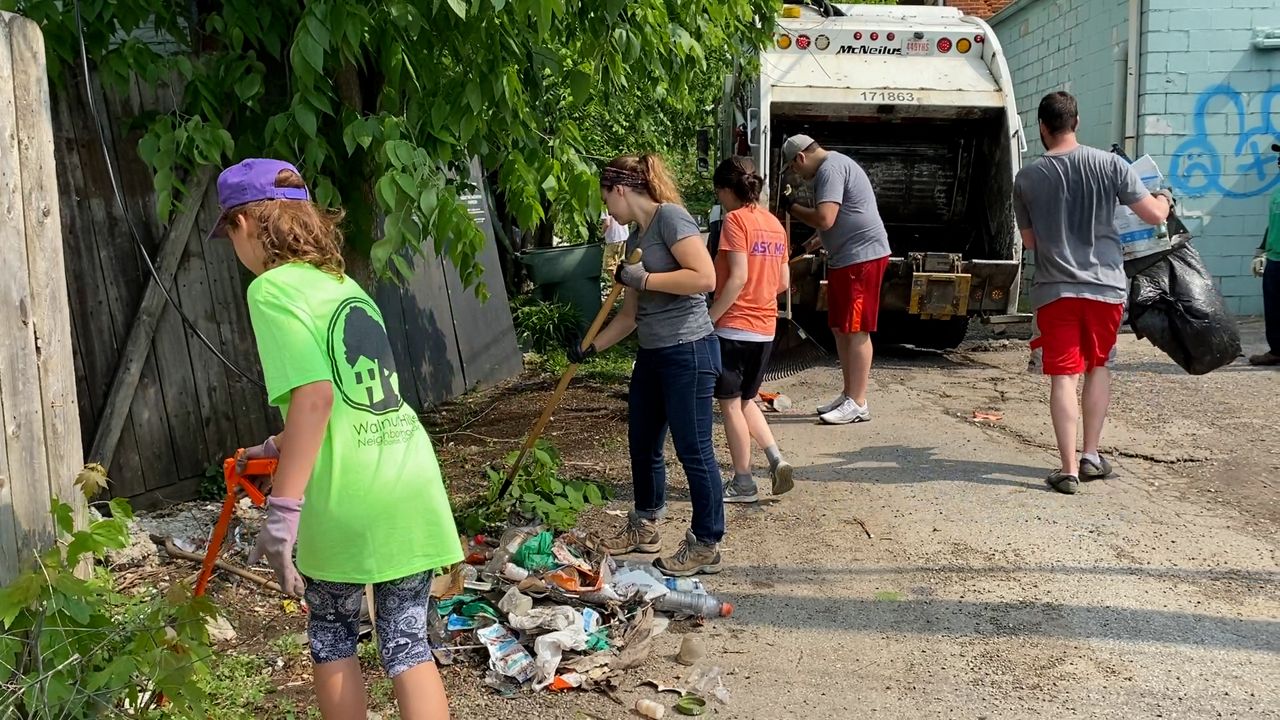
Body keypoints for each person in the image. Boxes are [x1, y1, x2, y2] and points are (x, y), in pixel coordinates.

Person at [218, 158, 461, 719]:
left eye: (229, 233)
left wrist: (282, 510)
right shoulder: (341, 282)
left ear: (246, 224)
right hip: (408, 481)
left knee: (332, 633)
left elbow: (316, 398)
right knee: (406, 643)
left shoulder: (271, 289)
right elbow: (351, 396)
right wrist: (279, 445)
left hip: (349, 494)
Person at [569, 154, 723, 577]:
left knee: (694, 451)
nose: (607, 211)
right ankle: (646, 525)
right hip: (653, 353)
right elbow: (629, 316)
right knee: (643, 443)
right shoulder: (638, 237)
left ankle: (707, 542)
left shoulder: (671, 219)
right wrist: (590, 348)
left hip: (689, 350)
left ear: (620, 189)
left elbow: (704, 277)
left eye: (606, 199)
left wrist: (644, 279)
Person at [1013, 92, 1171, 495]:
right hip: (1105, 287)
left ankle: (1066, 469)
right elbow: (1153, 216)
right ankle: (1091, 456)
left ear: (1043, 128)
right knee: (1098, 367)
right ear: (1077, 122)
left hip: (1055, 289)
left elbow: (1029, 243)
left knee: (1063, 376)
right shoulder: (1110, 164)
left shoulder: (1026, 179)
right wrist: (1165, 199)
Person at [781, 134, 891, 425]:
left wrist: (792, 207)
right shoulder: (834, 167)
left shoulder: (830, 169)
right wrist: (803, 248)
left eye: (793, 169)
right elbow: (835, 225)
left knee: (856, 329)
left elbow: (825, 219)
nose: (798, 176)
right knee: (841, 328)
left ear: (800, 158)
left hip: (861, 259)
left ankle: (858, 402)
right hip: (847, 259)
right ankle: (849, 395)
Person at [708, 156, 794, 503]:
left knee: (729, 405)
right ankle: (776, 459)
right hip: (765, 328)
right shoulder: (774, 224)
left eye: (718, 193)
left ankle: (743, 481)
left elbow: (738, 276)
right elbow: (783, 281)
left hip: (734, 328)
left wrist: (710, 318)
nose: (720, 200)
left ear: (728, 190)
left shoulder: (735, 221)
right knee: (746, 400)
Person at [1248, 142, 1280, 367]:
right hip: (1275, 259)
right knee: (1274, 308)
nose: (1278, 161)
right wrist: (1262, 251)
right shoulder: (1277, 191)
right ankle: (1277, 350)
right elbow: (1273, 224)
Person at [601, 210, 630, 274]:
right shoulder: (621, 202)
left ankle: (615, 283)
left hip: (613, 238)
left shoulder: (604, 207)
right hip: (624, 236)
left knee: (609, 265)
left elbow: (607, 223)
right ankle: (623, 282)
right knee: (620, 263)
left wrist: (601, 234)